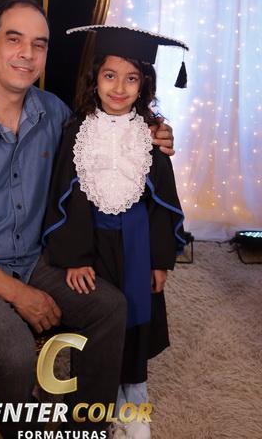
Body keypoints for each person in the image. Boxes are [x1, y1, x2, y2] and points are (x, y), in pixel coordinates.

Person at [0, 0, 176, 437]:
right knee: (14, 350)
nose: (27, 53)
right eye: (14, 39)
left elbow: (107, 143)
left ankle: (87, 427)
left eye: (39, 44)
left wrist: (153, 131)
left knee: (110, 308)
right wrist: (18, 294)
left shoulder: (55, 114)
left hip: (30, 256)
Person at [42, 25, 188, 439]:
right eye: (110, 76)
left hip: (137, 242)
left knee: (138, 320)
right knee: (99, 316)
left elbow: (162, 201)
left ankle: (134, 397)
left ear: (144, 84)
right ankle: (97, 396)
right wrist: (74, 258)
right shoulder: (78, 131)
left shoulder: (151, 135)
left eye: (131, 78)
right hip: (92, 241)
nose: (119, 88)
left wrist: (160, 260)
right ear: (95, 78)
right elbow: (66, 195)